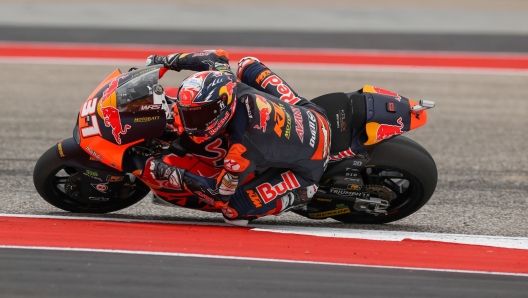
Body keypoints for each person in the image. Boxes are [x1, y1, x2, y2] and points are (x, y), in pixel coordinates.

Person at [142, 49, 332, 226]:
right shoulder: (228, 81)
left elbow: (219, 195)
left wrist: (169, 173)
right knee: (247, 64)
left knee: (233, 212)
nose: (192, 123)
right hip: (313, 113)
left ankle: (298, 195)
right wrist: (162, 62)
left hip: (314, 159)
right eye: (188, 114)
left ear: (222, 106)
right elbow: (215, 56)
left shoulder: (238, 153)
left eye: (199, 115)